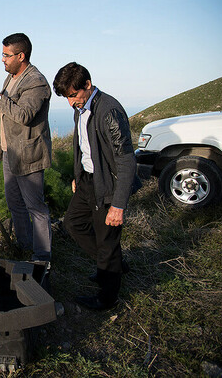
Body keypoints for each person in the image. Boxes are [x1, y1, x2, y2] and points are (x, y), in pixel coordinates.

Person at [53, 62, 140, 310]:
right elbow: (84, 147)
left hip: (109, 185)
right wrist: (78, 176)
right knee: (73, 223)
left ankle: (107, 298)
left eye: (73, 95)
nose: (71, 102)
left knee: (107, 240)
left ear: (87, 85)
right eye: (67, 97)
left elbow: (125, 159)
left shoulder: (109, 111)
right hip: (89, 180)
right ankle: (111, 264)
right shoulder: (81, 108)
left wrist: (118, 205)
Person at [0, 33, 53, 261]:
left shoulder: (35, 81)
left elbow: (24, 115)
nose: (2, 59)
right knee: (15, 203)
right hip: (10, 151)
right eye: (2, 54)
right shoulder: (12, 77)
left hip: (28, 154)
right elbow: (6, 107)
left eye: (6, 55)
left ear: (21, 55)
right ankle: (24, 246)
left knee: (35, 207)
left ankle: (42, 258)